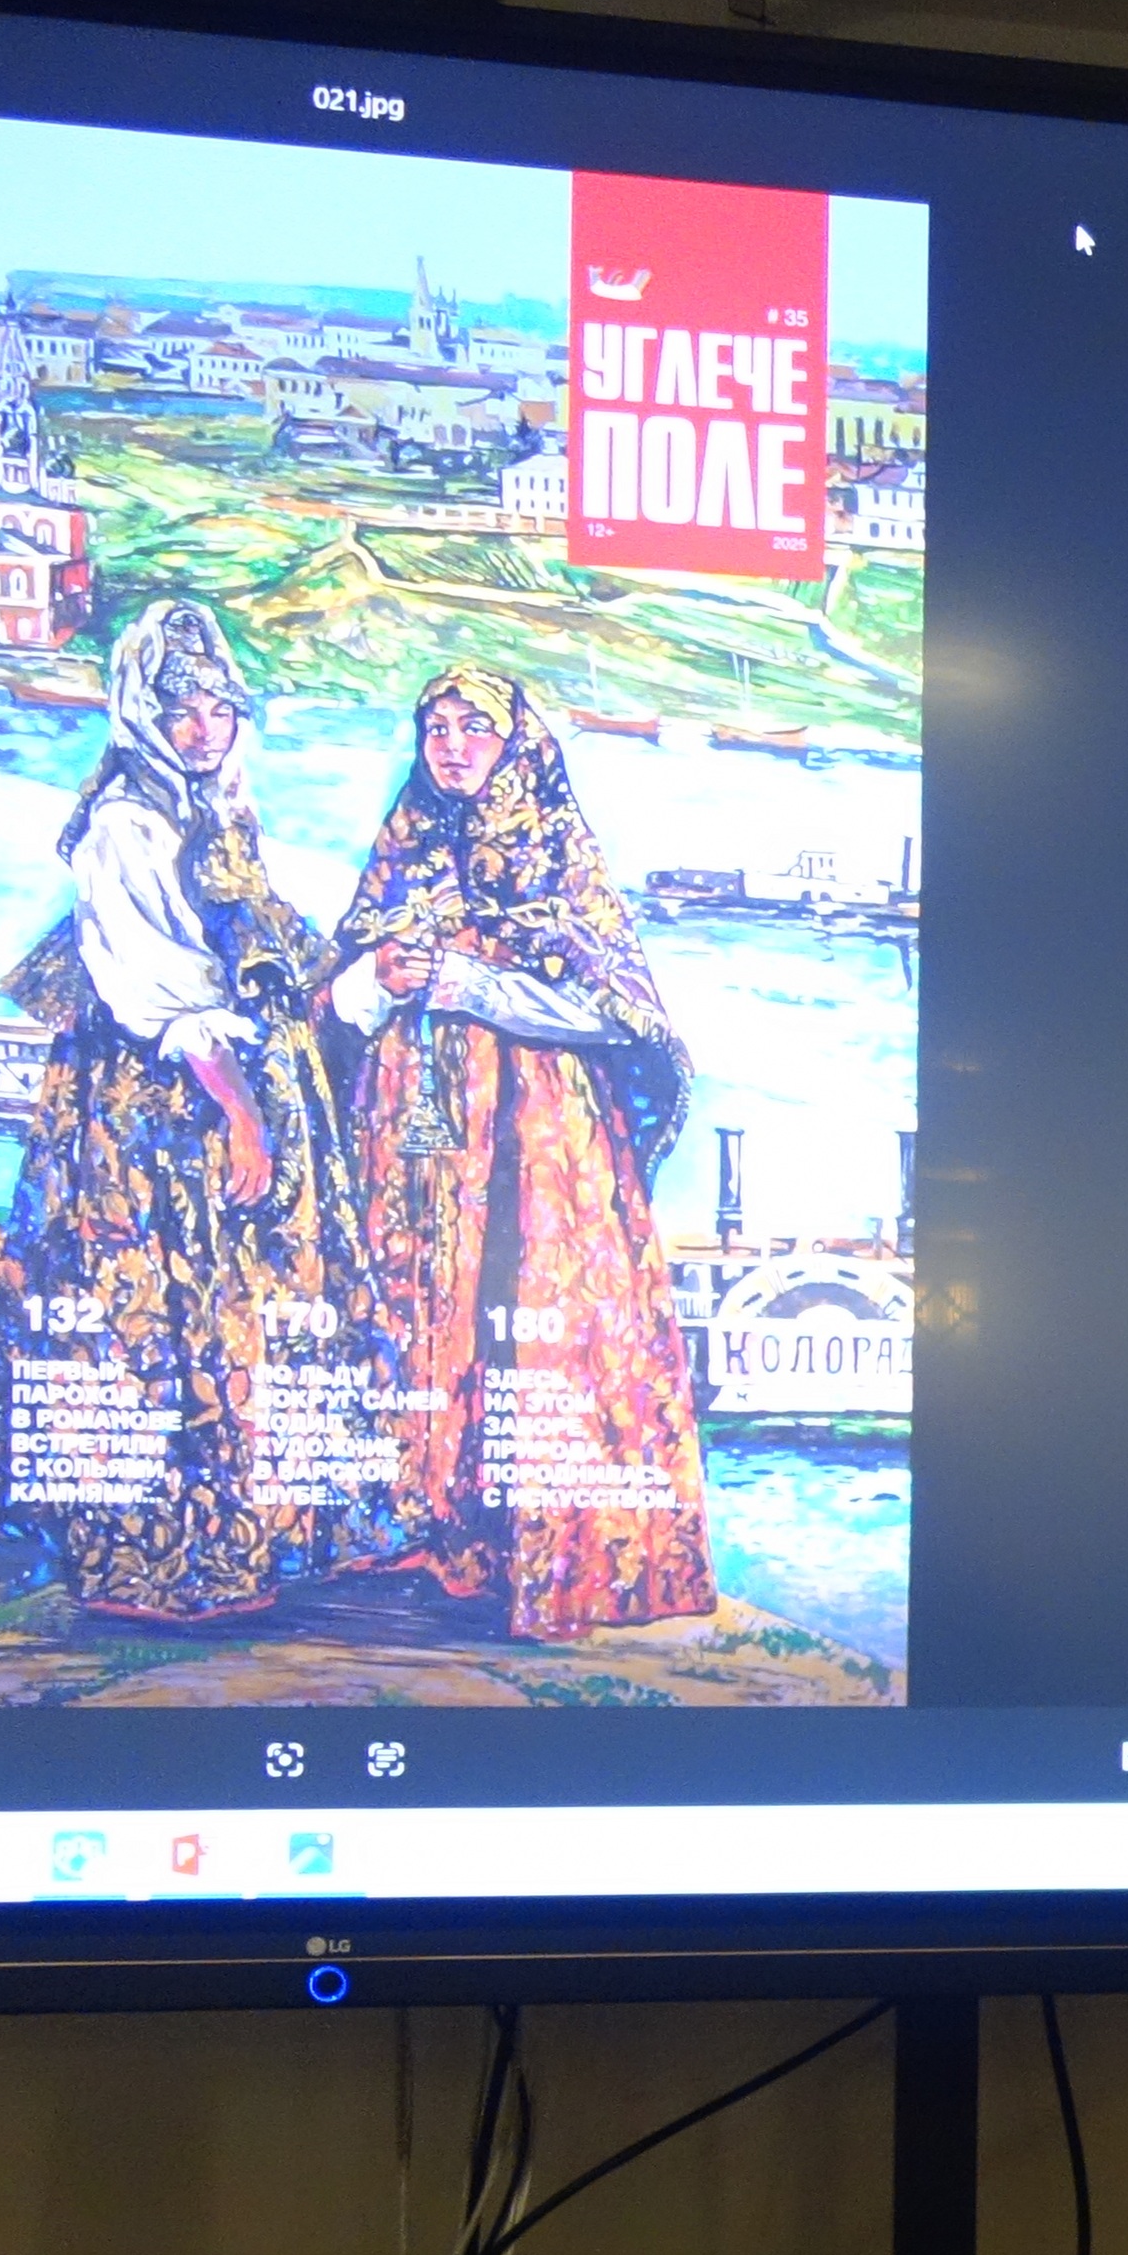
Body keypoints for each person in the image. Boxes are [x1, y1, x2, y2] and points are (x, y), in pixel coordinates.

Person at [0, 598, 394, 1619]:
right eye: (182, 709)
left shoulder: (217, 808)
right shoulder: (127, 823)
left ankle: (261, 1539)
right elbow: (158, 994)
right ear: (142, 713)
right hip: (163, 1117)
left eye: (220, 708)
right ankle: (163, 1563)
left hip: (228, 1088)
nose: (205, 728)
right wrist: (242, 1115)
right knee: (162, 1313)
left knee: (244, 1310)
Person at [330, 663, 716, 1640]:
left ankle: (540, 1555)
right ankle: (426, 1532)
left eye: (476, 728)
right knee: (422, 1315)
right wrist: (375, 976)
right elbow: (336, 994)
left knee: (531, 1313)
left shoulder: (556, 855)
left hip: (537, 1137)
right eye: (437, 727)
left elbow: (615, 1009)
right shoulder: (404, 850)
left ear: (515, 746)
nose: (453, 746)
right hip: (417, 1139)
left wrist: (473, 985)